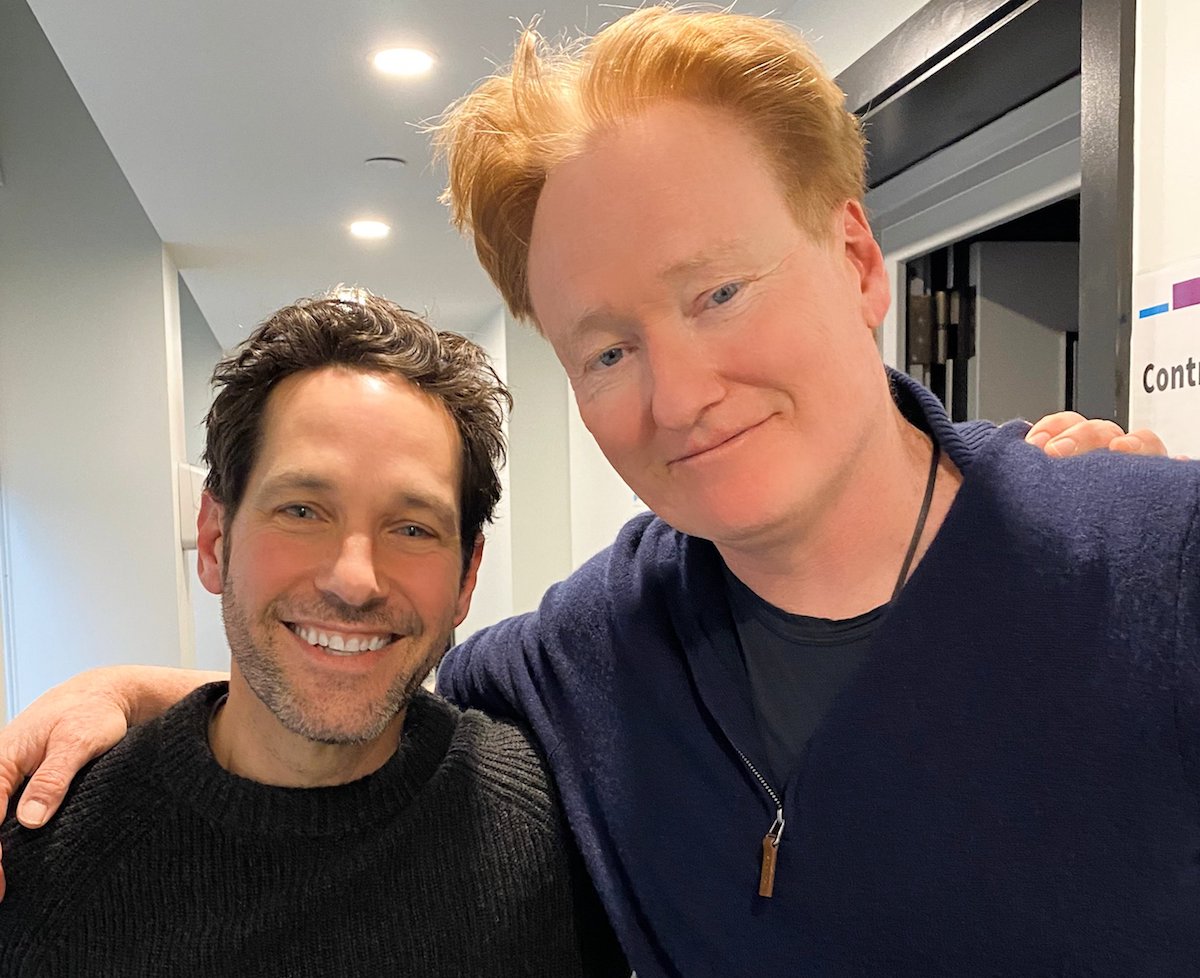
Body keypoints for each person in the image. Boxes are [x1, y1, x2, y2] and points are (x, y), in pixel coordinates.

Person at [0, 6, 1192, 977]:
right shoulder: (589, 655)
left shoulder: (1161, 571)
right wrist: (135, 693)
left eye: (718, 291)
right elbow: (354, 667)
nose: (677, 395)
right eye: (606, 349)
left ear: (859, 260)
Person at [0, 290, 623, 977]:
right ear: (214, 540)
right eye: (301, 510)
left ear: (466, 578)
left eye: (412, 528)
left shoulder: (552, 835)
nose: (354, 580)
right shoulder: (44, 852)